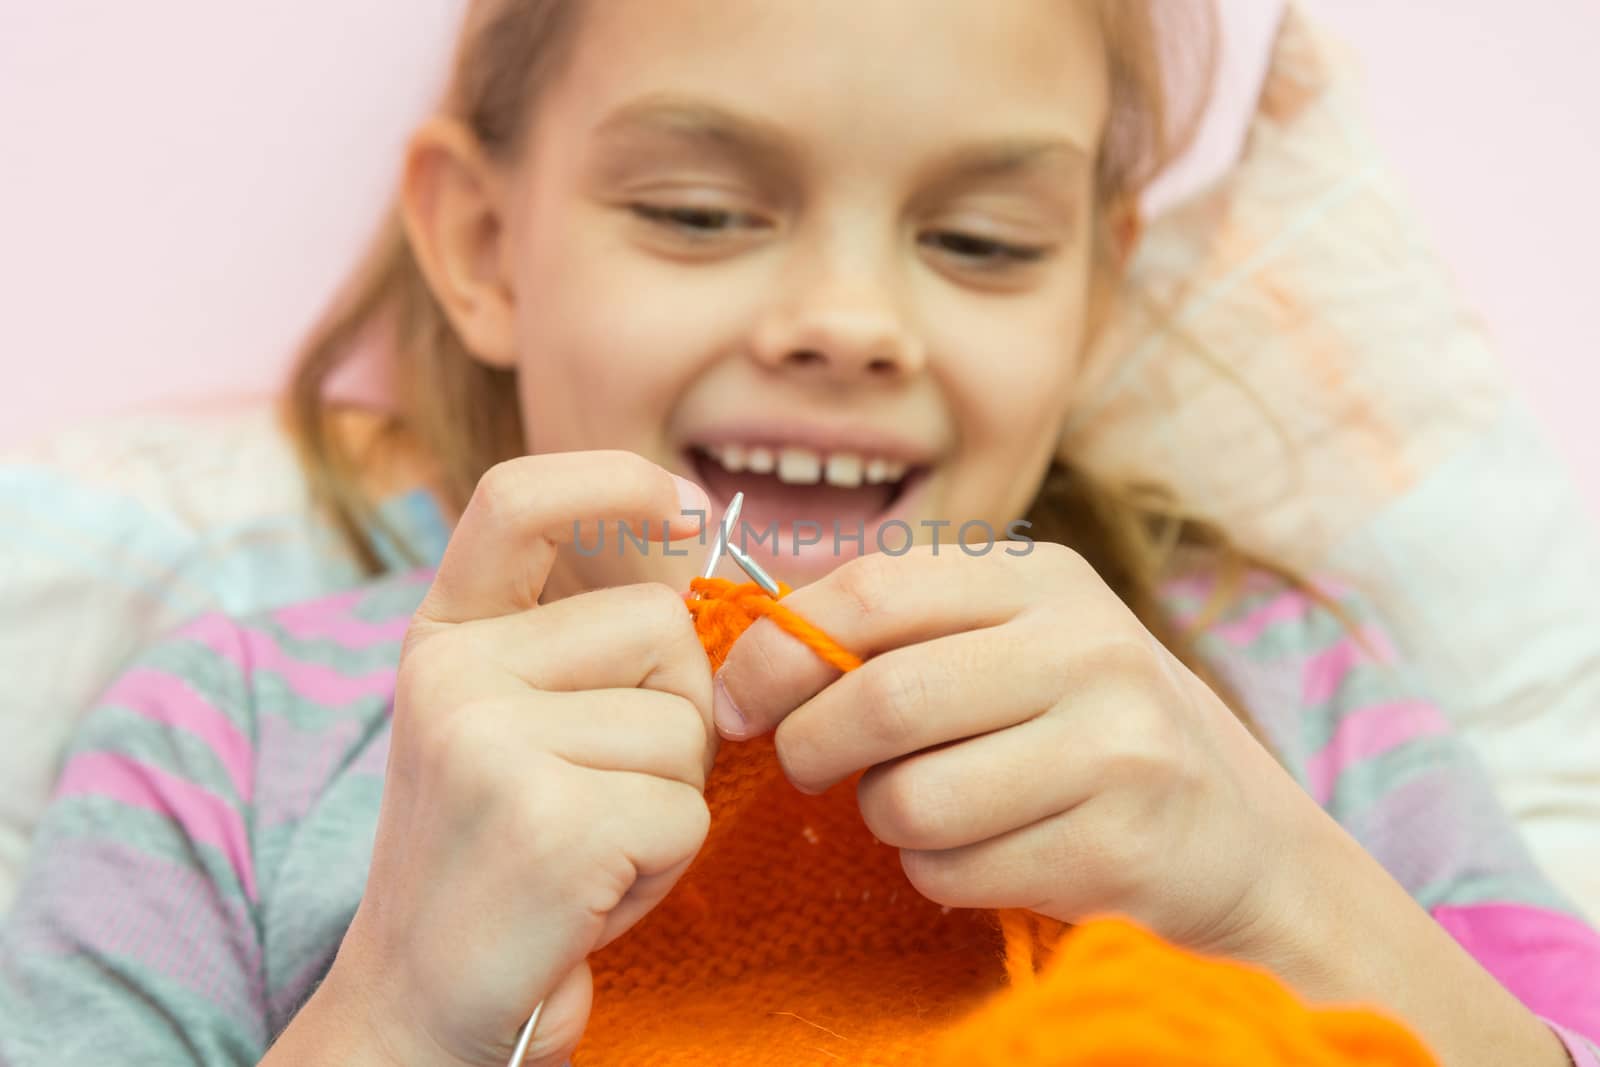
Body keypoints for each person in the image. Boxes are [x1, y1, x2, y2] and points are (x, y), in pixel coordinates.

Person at [2, 1, 1597, 1064]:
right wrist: (398, 1002)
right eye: (701, 212)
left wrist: (1277, 892)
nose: (848, 322)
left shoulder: (1278, 689)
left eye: (980, 241)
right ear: (486, 246)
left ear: (1094, 295)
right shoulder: (237, 728)